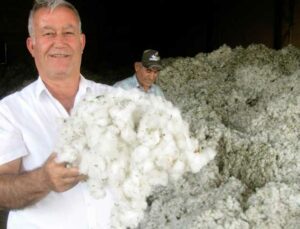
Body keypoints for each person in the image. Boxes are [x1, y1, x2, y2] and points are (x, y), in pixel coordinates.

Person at [0, 0, 114, 228]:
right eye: (48, 33)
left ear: (81, 42)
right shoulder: (10, 110)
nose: (59, 42)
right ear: (32, 46)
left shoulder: (114, 100)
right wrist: (43, 179)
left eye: (68, 32)